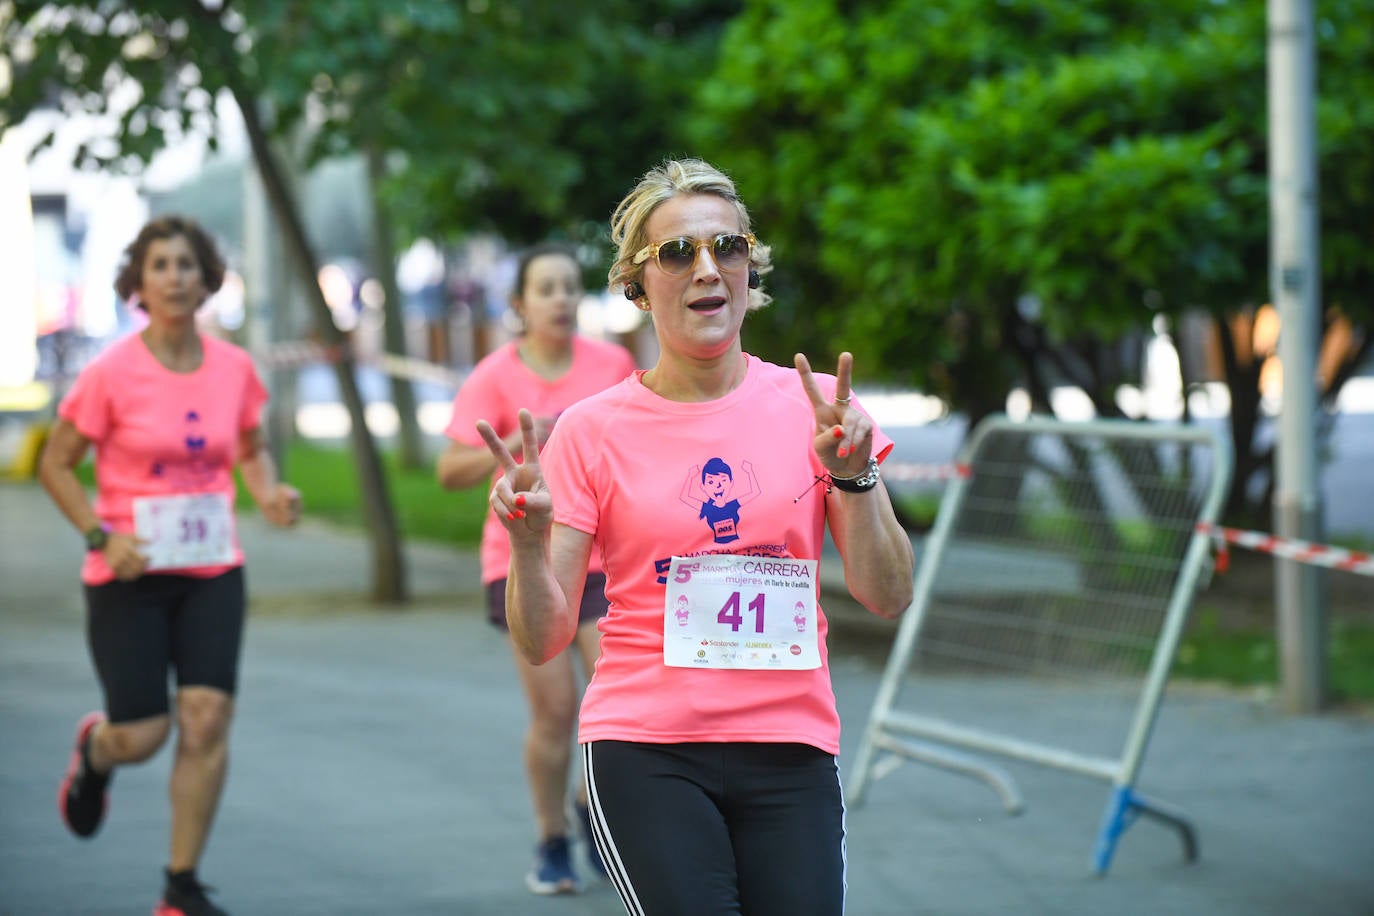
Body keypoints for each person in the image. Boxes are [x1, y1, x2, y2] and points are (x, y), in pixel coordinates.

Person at [475, 158, 916, 915]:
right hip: (648, 749)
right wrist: (524, 542)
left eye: (728, 247)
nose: (707, 267)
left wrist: (855, 478)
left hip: (790, 744)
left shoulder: (812, 411)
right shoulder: (591, 431)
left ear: (750, 267)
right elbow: (545, 638)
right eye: (678, 252)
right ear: (640, 285)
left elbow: (887, 595)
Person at [38, 215, 301, 916]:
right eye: (161, 266)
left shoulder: (234, 368)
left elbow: (250, 447)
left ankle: (180, 887)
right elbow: (55, 464)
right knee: (144, 734)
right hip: (131, 572)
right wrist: (100, 537)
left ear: (206, 278)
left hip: (212, 567)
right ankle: (96, 751)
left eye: (188, 264)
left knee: (208, 717)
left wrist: (269, 492)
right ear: (139, 284)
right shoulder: (110, 373)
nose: (176, 277)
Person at [436, 242, 637, 895]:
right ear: (520, 304)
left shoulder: (613, 364)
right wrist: (521, 450)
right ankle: (551, 839)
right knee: (555, 712)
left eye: (570, 287)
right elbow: (448, 471)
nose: (561, 299)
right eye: (546, 288)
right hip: (523, 558)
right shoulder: (495, 376)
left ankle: (593, 810)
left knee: (617, 705)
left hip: (606, 557)